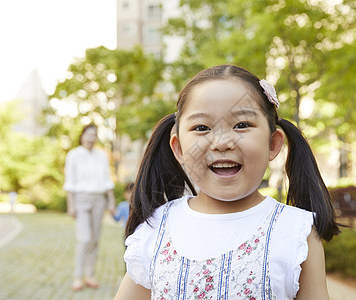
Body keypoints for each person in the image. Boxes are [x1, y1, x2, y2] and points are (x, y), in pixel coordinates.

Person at [114, 64, 340, 299]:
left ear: (272, 143)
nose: (222, 142)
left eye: (242, 125)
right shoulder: (156, 228)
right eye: (202, 128)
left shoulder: (296, 232)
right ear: (179, 148)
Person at [64, 124, 116, 291]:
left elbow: (106, 179)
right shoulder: (73, 155)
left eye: (94, 135)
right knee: (84, 239)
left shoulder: (101, 156)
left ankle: (90, 275)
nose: (91, 138)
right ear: (82, 135)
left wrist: (111, 201)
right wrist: (70, 205)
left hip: (98, 200)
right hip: (80, 199)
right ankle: (78, 277)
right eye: (88, 134)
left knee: (94, 240)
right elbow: (70, 182)